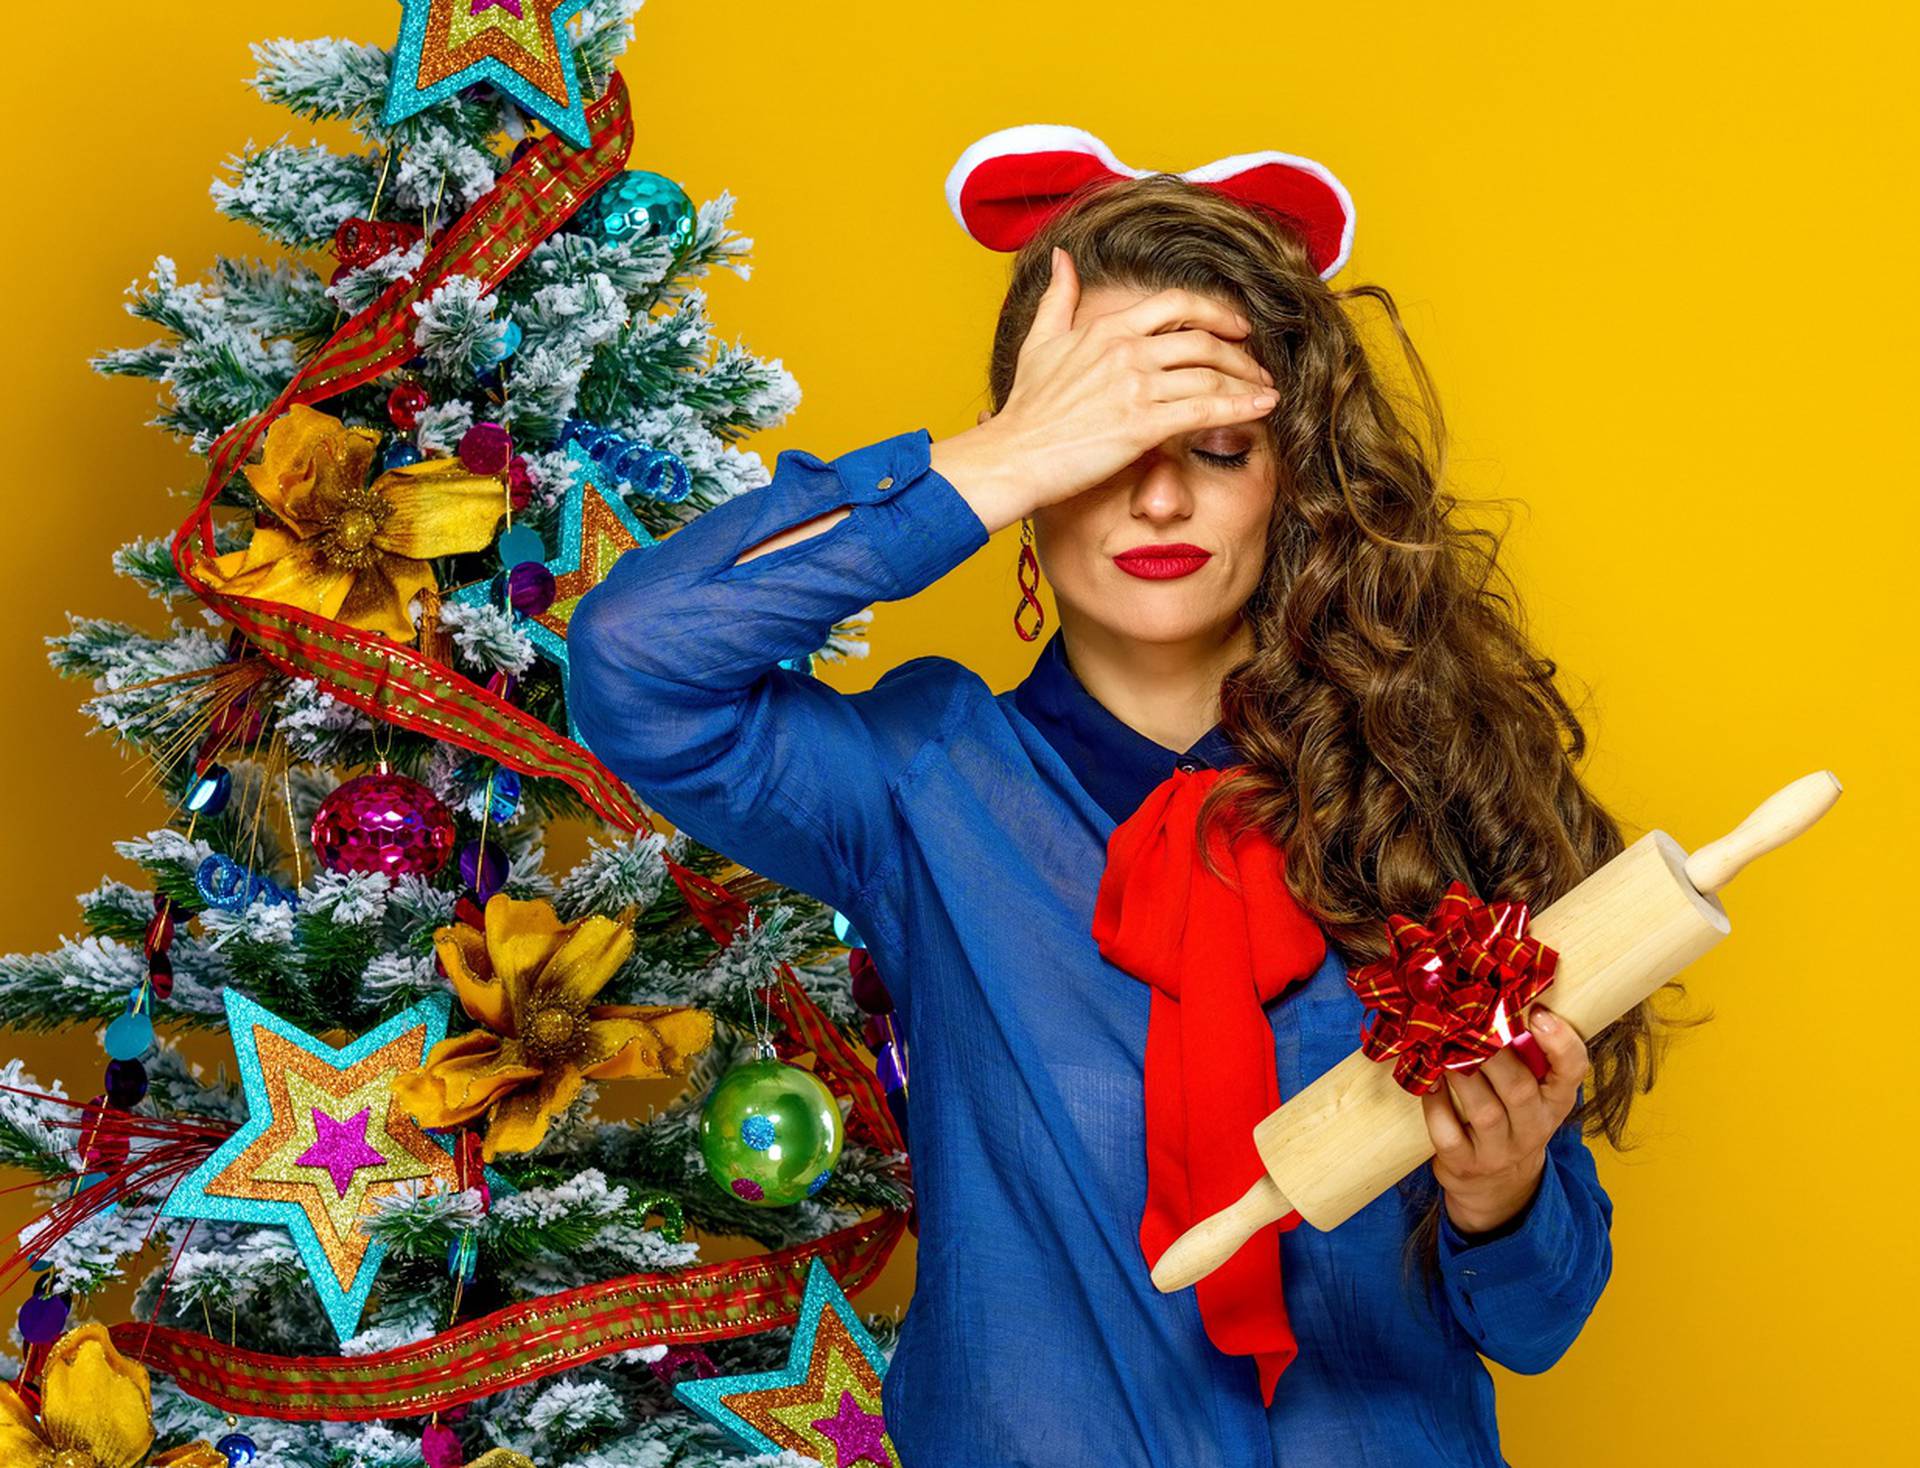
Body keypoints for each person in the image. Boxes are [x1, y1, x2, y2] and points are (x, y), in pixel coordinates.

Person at [569, 163, 1686, 1466]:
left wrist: (1499, 1198)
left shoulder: (1419, 786)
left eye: (1217, 449)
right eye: (1109, 448)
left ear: (1294, 478)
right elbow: (636, 663)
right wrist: (992, 463)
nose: (1160, 500)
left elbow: (1544, 1320)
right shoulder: (920, 780)